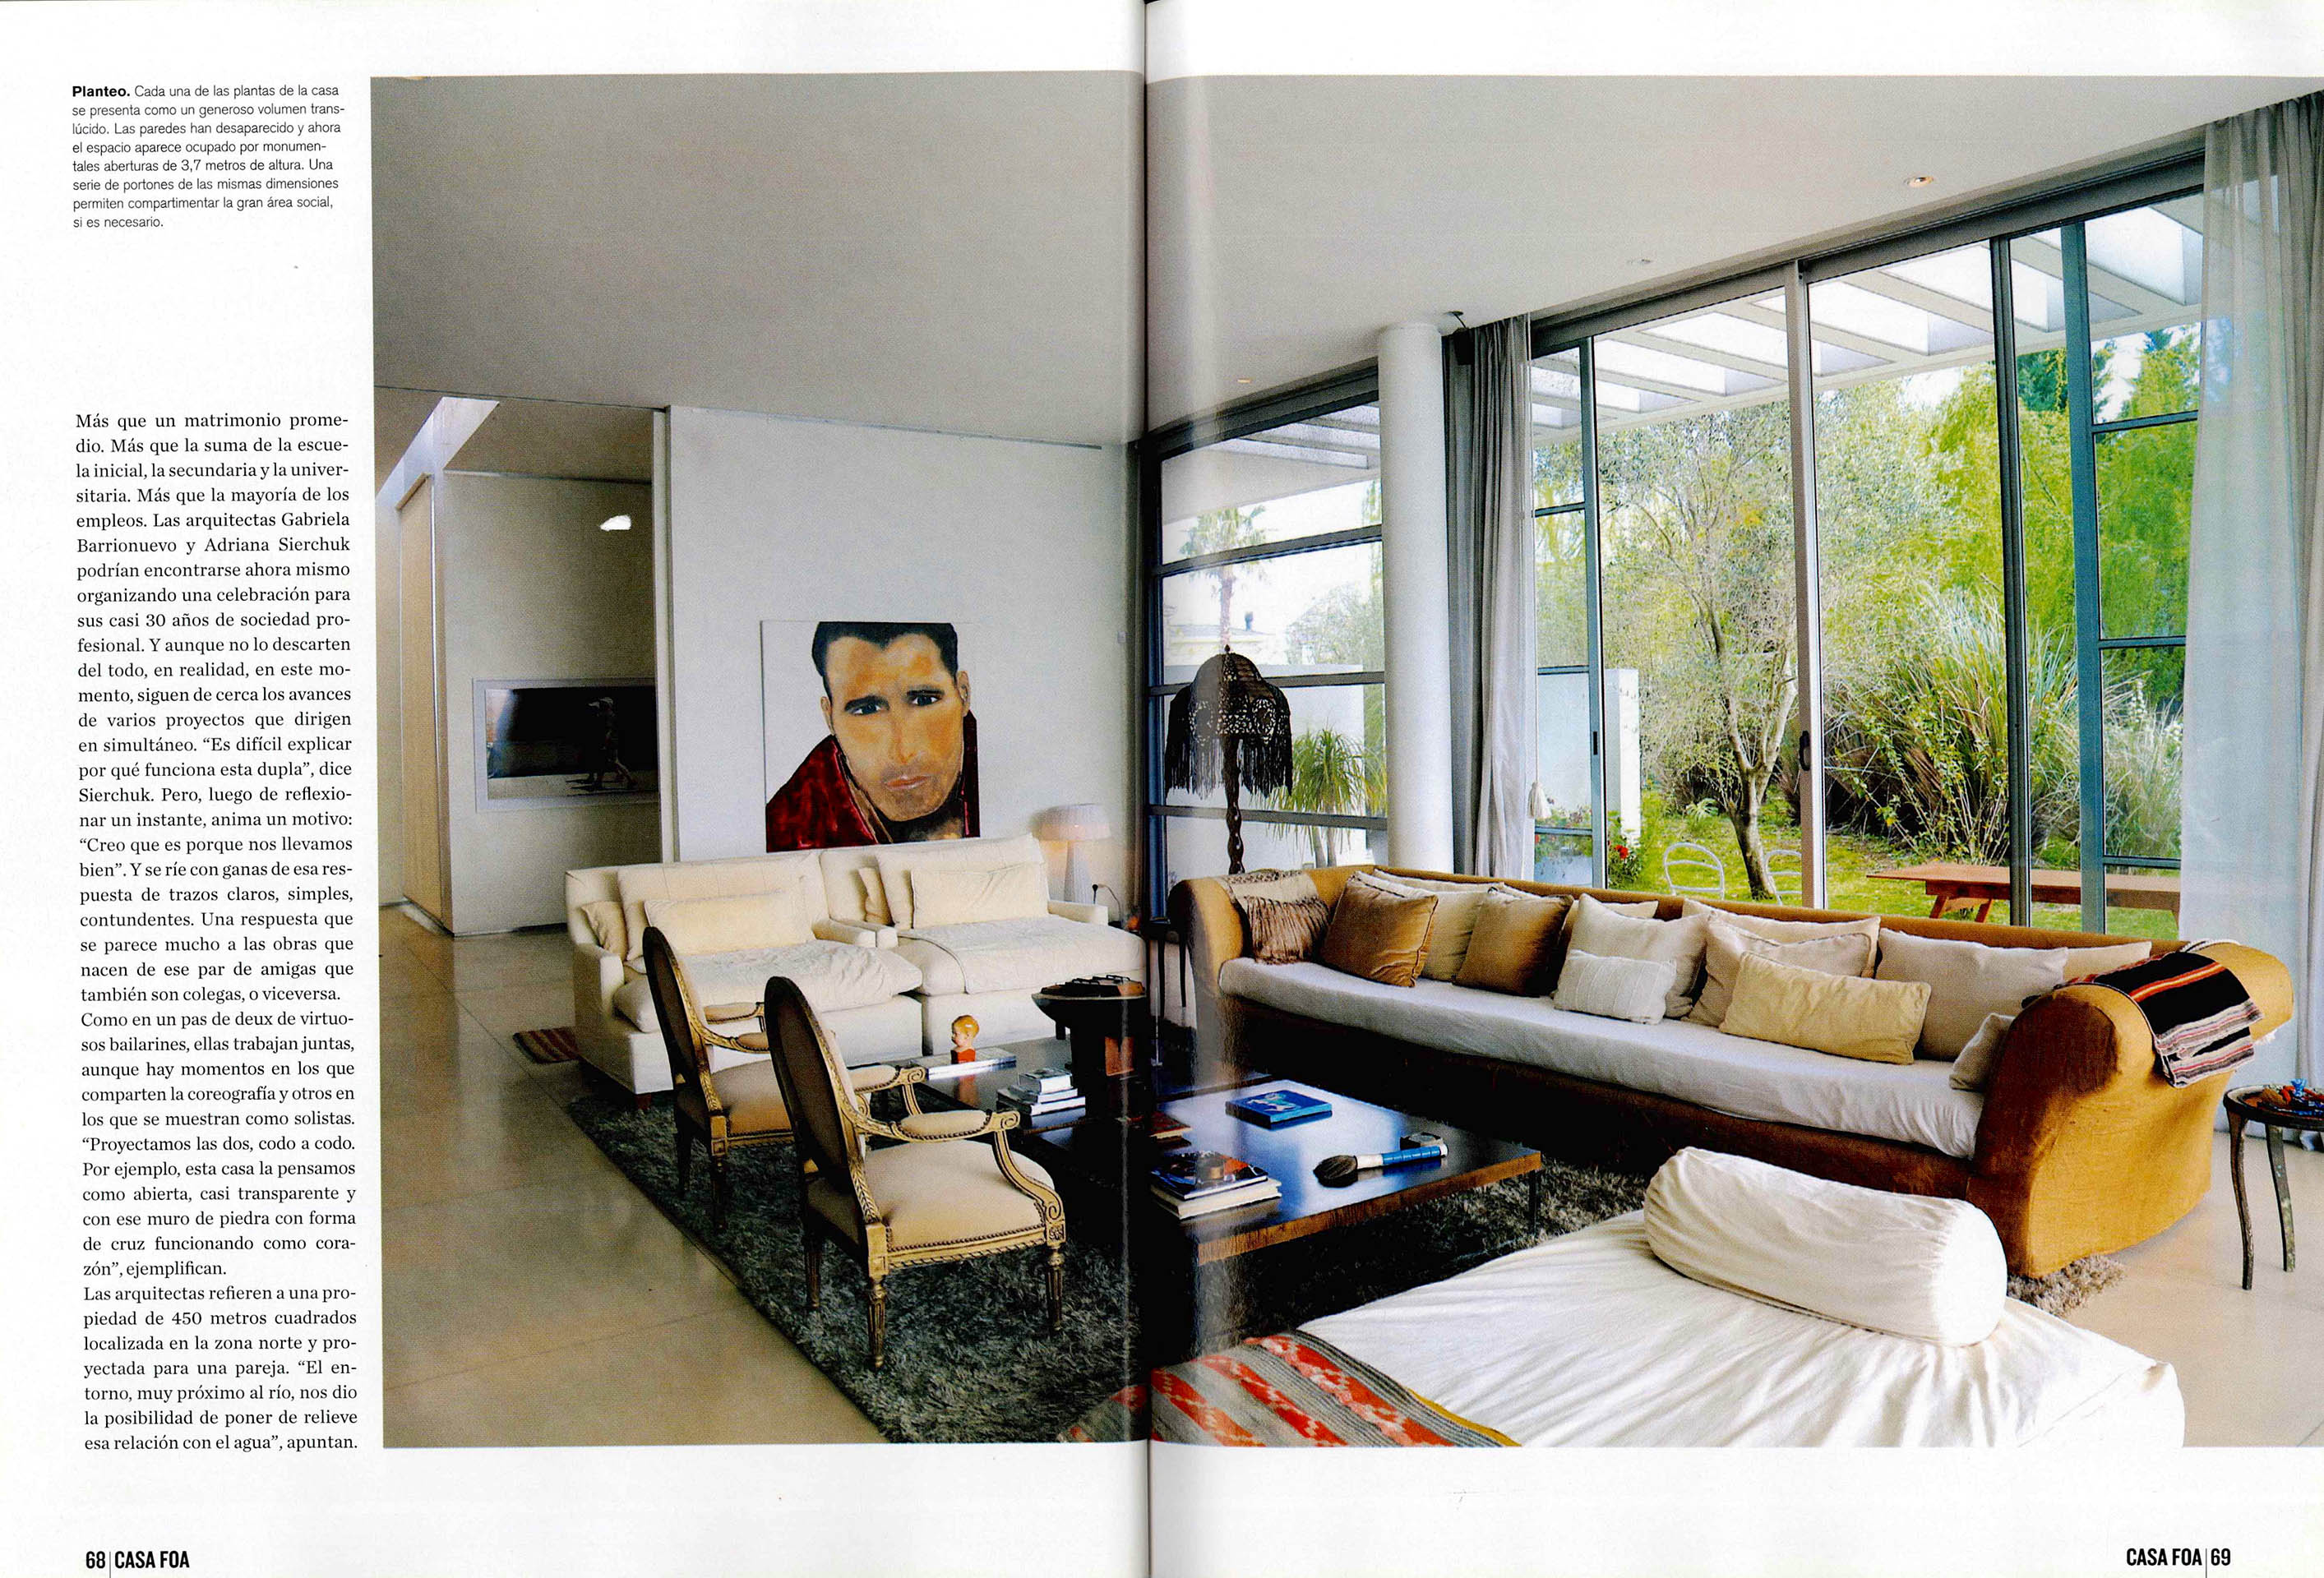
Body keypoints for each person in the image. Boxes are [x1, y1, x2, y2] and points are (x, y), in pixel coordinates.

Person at [765, 620, 980, 850]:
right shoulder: (787, 830)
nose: (903, 753)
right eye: (867, 710)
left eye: (924, 700)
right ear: (830, 718)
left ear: (963, 694)